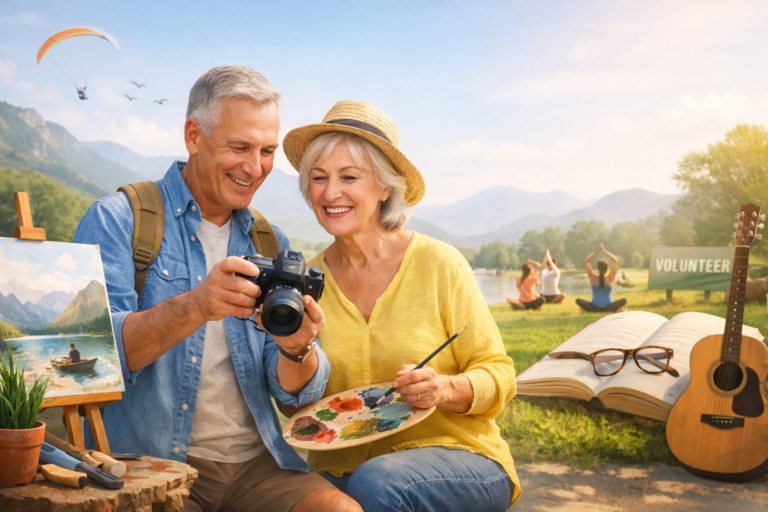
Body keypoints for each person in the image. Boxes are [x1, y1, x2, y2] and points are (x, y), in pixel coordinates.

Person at [72, 66, 361, 512]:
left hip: (257, 464)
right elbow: (94, 365)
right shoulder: (117, 221)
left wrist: (297, 349)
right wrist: (197, 304)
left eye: (266, 151)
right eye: (240, 147)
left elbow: (291, 397)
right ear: (193, 135)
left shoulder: (270, 242)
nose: (255, 167)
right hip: (150, 468)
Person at [280, 100, 522, 511]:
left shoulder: (439, 263)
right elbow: (298, 407)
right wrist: (294, 349)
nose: (329, 192)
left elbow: (499, 376)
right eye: (318, 178)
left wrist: (444, 388)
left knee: (377, 484)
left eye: (349, 177)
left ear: (385, 187)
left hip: (459, 457)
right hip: (341, 468)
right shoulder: (306, 279)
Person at [575, 243, 627, 313]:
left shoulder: (593, 277)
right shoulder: (610, 277)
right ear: (607, 267)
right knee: (624, 300)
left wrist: (597, 251)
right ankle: (615, 310)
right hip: (608, 307)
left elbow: (586, 261)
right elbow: (616, 260)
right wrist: (604, 251)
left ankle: (587, 310)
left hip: (594, 307)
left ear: (597, 267)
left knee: (578, 300)